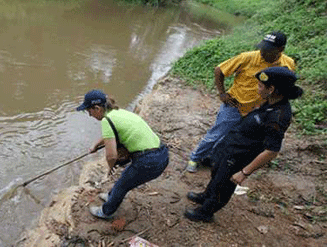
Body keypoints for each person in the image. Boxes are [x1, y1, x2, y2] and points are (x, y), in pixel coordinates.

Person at [184, 66, 303, 222]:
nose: (257, 88)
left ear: (271, 89)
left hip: (240, 156)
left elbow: (271, 151)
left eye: (260, 86)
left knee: (223, 185)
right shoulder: (270, 102)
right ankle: (206, 196)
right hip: (231, 148)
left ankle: (206, 212)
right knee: (216, 174)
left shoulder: (279, 116)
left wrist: (244, 172)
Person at [186, 31, 296, 172]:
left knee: (235, 138)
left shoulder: (288, 64)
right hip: (235, 105)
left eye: (268, 50)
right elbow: (219, 70)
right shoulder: (247, 58)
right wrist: (222, 93)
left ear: (280, 50)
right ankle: (194, 158)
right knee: (217, 134)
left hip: (258, 110)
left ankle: (211, 158)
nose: (262, 52)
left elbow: (286, 87)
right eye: (262, 48)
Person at [76, 89, 169, 219]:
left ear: (97, 108)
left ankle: (106, 212)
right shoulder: (118, 112)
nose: (90, 115)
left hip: (149, 161)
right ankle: (110, 196)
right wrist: (95, 146)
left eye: (89, 111)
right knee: (124, 179)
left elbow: (112, 156)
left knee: (122, 185)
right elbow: (110, 134)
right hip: (162, 154)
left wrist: (110, 168)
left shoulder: (106, 121)